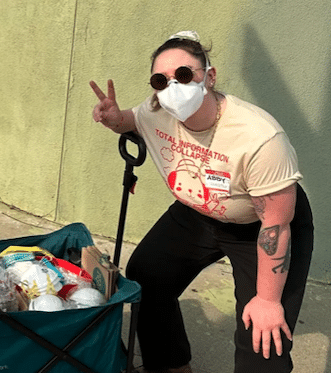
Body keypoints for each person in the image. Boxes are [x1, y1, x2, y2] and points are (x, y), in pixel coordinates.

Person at [90, 31, 314, 373]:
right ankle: (170, 365)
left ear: (209, 77)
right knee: (147, 276)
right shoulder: (155, 110)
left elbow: (277, 224)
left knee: (262, 336)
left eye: (183, 75)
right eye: (160, 80)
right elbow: (132, 121)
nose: (172, 88)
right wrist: (113, 118)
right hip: (198, 212)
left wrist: (268, 300)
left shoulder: (259, 137)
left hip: (261, 225)